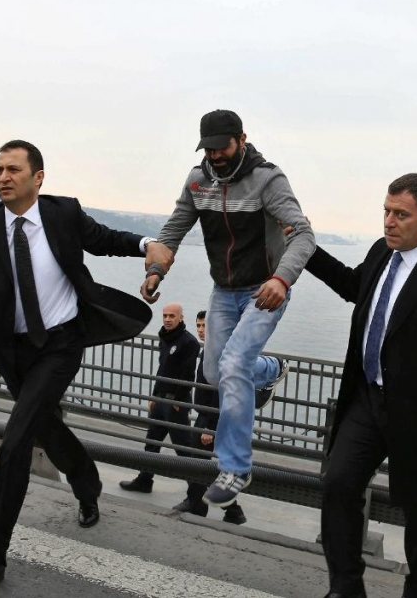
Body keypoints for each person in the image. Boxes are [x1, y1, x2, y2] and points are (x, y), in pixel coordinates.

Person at [0, 140, 172, 597]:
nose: (3, 177)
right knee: (45, 426)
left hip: (61, 342)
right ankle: (87, 482)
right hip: (13, 353)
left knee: (15, 442)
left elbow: (105, 240)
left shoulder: (62, 213)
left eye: (13, 169)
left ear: (38, 178)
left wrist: (146, 244)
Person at [303, 173, 417, 598]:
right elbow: (354, 286)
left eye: (400, 214)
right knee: (338, 484)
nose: (389, 222)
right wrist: (305, 249)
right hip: (369, 398)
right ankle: (346, 587)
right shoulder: (379, 253)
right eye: (386, 212)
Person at [141, 109, 314, 508]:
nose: (215, 155)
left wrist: (281, 279)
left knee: (235, 363)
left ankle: (236, 466)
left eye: (223, 146)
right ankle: (270, 371)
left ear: (241, 139)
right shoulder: (198, 181)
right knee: (216, 372)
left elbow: (303, 234)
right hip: (224, 290)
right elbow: (173, 230)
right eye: (209, 148)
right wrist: (155, 271)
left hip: (266, 288)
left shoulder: (268, 179)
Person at [169, 310, 247, 524]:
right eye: (199, 326)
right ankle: (207, 506)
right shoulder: (211, 350)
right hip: (205, 415)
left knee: (199, 463)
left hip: (211, 418)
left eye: (205, 326)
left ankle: (223, 508)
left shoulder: (219, 353)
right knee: (199, 463)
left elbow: (220, 392)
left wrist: (210, 428)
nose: (201, 330)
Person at [118, 303, 201, 495]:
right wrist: (154, 395)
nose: (167, 319)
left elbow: (189, 376)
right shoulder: (164, 339)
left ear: (181, 318)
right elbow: (162, 370)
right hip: (160, 401)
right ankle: (144, 481)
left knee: (183, 449)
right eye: (165, 315)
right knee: (152, 442)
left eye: (172, 316)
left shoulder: (189, 342)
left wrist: (177, 401)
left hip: (175, 403)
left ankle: (197, 490)